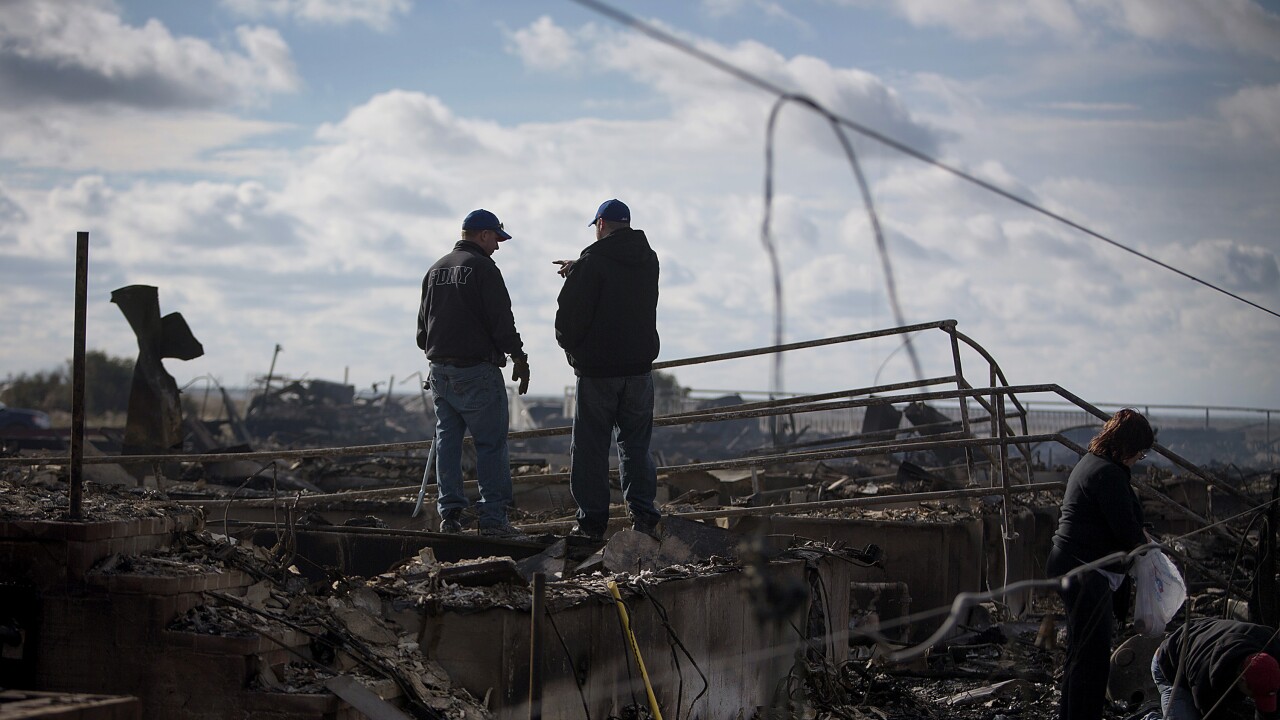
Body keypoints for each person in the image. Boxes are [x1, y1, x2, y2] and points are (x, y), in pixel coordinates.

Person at [417, 208, 530, 536]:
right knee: (491, 443)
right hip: (477, 371)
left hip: (440, 372)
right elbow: (502, 321)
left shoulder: (434, 270)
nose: (497, 246)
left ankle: (450, 516)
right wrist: (518, 356)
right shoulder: (483, 268)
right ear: (483, 234)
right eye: (496, 238)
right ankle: (493, 519)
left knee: (448, 440)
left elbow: (422, 333)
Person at [554, 199, 661, 542]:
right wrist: (581, 267)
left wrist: (573, 352)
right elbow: (619, 283)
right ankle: (644, 518)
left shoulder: (593, 262)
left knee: (590, 450)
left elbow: (569, 319)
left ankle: (591, 526)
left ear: (600, 223)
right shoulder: (648, 260)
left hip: (598, 373)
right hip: (640, 371)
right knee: (635, 447)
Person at [1046, 407, 1155, 720]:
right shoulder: (1108, 474)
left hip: (1072, 565)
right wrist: (1146, 542)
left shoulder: (1093, 464)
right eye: (1140, 452)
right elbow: (1125, 530)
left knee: (1080, 654)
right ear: (1127, 447)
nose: (1138, 459)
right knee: (1092, 660)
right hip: (1084, 571)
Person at [1152, 618, 1280, 719]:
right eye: (1254, 695)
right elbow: (1212, 715)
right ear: (1241, 679)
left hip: (1200, 634)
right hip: (1170, 665)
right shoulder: (1205, 683)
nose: (1256, 699)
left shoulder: (1271, 644)